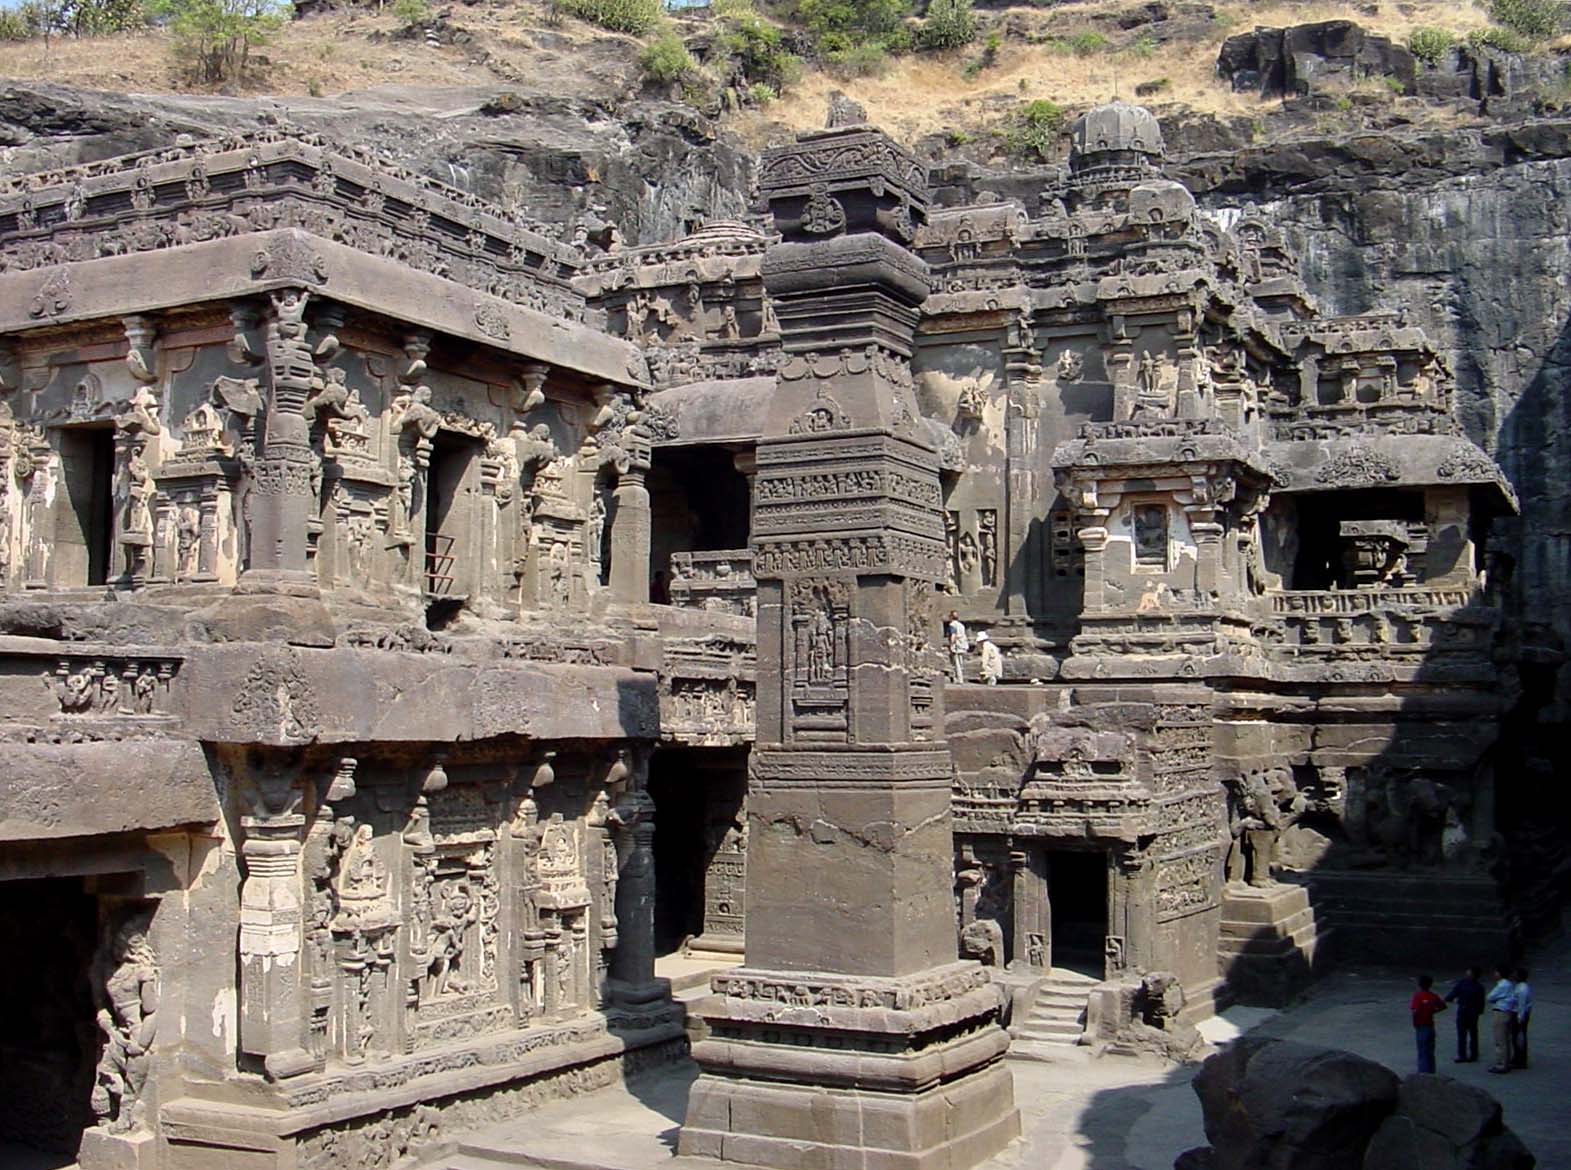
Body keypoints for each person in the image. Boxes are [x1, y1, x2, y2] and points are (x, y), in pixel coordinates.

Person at [1445, 966, 1486, 1063]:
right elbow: (1481, 1002)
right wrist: (1479, 1011)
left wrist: (1449, 999)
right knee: (1473, 1033)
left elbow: (1452, 994)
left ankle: (1462, 1054)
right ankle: (1473, 1054)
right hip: (1473, 1011)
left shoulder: (1462, 983)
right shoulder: (1479, 987)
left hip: (1463, 1010)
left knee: (1462, 1034)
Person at [1410, 973, 1447, 1074]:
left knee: (1422, 1050)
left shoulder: (1417, 996)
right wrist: (1433, 1011)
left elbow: (1415, 1011)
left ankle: (1423, 1073)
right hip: (1430, 1025)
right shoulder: (1433, 996)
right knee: (1430, 1050)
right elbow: (1443, 1006)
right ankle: (1431, 1071)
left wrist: (1415, 1023)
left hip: (1421, 1025)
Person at [1486, 964, 1518, 1073]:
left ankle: (1501, 1064)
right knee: (1505, 1038)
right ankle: (1506, 1062)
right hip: (1507, 1012)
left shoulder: (1502, 985)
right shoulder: (1509, 985)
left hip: (1500, 1012)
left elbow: (1490, 997)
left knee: (1500, 1039)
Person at [1512, 968, 1532, 1069]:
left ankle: (1520, 1060)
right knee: (1517, 1038)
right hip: (1520, 1014)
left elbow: (1522, 1005)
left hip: (1519, 1015)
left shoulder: (1522, 989)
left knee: (1519, 1037)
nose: (1514, 975)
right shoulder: (1521, 987)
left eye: (1515, 974)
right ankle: (1518, 1058)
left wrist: (1520, 1019)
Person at [946, 611, 969, 683]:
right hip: (962, 644)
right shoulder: (961, 625)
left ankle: (959, 679)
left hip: (957, 645)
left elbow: (953, 634)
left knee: (956, 662)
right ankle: (960, 677)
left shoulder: (952, 625)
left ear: (951, 617)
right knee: (960, 662)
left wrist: (951, 644)